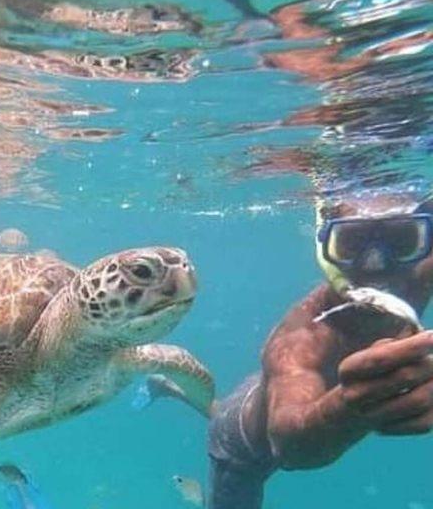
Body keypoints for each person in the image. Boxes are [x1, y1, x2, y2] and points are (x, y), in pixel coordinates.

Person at [143, 184, 433, 509]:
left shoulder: (419, 275)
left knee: (240, 405)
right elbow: (290, 446)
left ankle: (172, 390)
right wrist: (351, 407)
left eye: (402, 239)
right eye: (351, 243)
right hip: (239, 450)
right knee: (228, 421)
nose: (377, 263)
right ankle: (177, 392)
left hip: (264, 394)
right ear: (324, 247)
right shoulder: (301, 337)